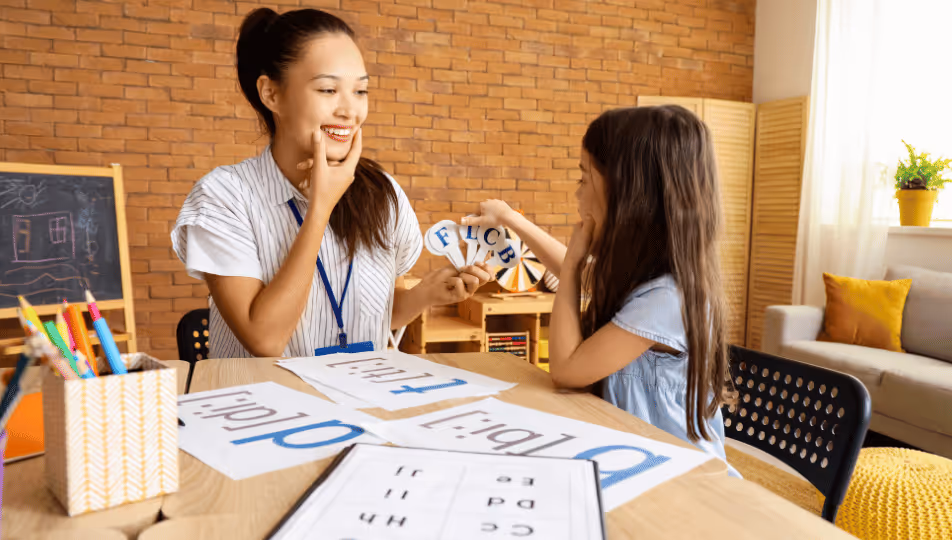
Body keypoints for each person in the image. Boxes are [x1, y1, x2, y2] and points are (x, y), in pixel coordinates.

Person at [171, 8, 492, 359]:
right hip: (265, 407)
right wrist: (319, 209)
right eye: (328, 89)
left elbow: (372, 314)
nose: (349, 110)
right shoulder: (223, 196)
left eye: (360, 91)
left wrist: (425, 295)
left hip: (357, 401)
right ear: (271, 94)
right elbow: (265, 340)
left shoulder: (383, 194)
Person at [465, 105, 737, 473]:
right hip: (629, 449)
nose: (577, 196)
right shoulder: (651, 279)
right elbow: (568, 267)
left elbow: (566, 369)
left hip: (680, 474)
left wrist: (576, 262)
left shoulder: (669, 298)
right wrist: (512, 219)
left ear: (630, 195)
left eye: (583, 179)